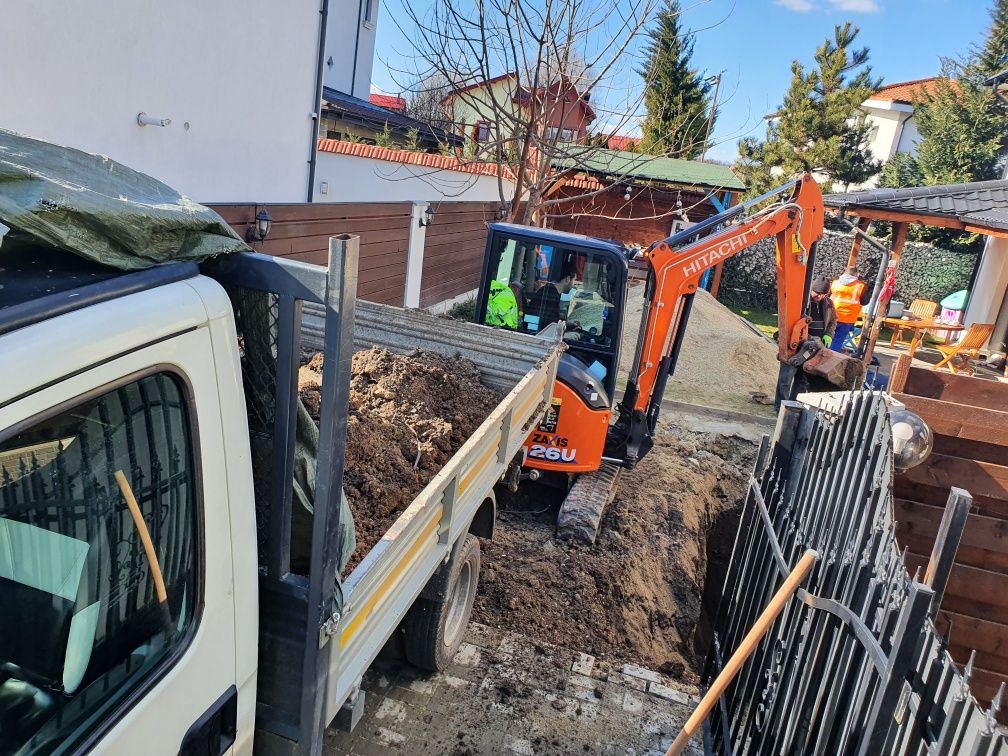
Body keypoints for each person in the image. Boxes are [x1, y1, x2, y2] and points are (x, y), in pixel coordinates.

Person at [829, 265, 871, 352]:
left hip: (832, 315)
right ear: (857, 274)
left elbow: (827, 296)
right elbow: (864, 302)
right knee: (837, 340)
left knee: (827, 336)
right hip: (847, 318)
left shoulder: (835, 283)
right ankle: (830, 359)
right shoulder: (861, 286)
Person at [808, 276, 837, 344]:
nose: (820, 296)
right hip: (804, 340)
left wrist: (829, 334)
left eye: (823, 294)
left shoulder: (829, 303)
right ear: (811, 289)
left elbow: (833, 320)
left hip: (820, 341)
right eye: (817, 293)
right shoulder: (803, 301)